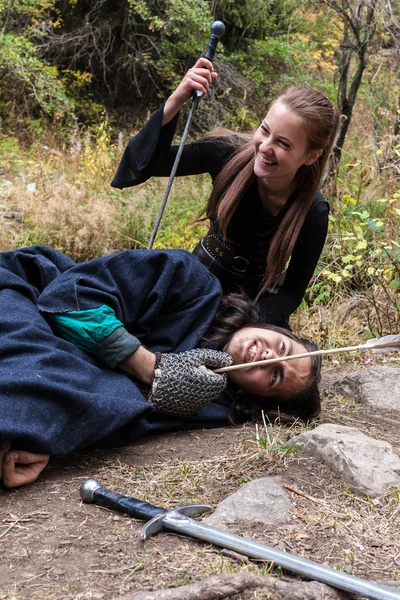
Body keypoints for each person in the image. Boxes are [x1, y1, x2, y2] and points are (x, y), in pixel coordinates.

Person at [0, 246, 321, 488]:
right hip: (28, 296)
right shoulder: (191, 281)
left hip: (58, 364)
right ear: (275, 329)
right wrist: (150, 366)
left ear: (258, 398)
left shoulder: (210, 404)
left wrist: (46, 441)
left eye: (275, 375)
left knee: (71, 379)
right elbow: (66, 302)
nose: (269, 357)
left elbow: (116, 410)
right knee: (38, 356)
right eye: (282, 347)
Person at [111, 58, 341, 329]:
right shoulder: (225, 152)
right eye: (265, 131)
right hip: (197, 284)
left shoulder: (312, 212)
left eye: (283, 143)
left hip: (256, 307)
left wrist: (243, 326)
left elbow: (290, 294)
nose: (265, 147)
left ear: (311, 156)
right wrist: (177, 99)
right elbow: (145, 164)